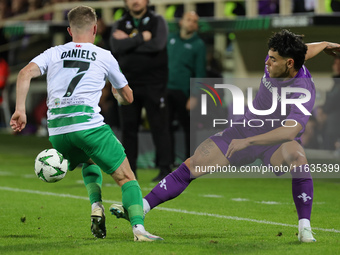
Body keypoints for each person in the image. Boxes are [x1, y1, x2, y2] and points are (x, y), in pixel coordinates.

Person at [109, 30, 340, 243]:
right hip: (244, 129)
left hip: (276, 140)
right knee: (194, 164)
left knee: (298, 158)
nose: (266, 62)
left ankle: (304, 227)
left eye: (272, 59)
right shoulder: (285, 60)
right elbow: (306, 49)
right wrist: (327, 43)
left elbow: (290, 131)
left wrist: (249, 142)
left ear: (290, 63)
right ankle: (141, 207)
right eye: (268, 57)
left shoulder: (304, 90)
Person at [9, 5, 163, 242]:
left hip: (58, 132)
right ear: (94, 29)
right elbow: (128, 97)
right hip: (89, 126)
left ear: (70, 31)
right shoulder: (104, 55)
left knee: (88, 160)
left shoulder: (54, 52)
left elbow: (24, 73)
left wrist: (20, 109)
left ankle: (96, 205)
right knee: (126, 178)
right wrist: (117, 94)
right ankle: (139, 230)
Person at [110, 0, 172, 181]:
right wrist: (141, 38)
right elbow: (116, 47)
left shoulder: (157, 21)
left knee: (159, 126)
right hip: (128, 84)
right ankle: (131, 171)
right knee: (128, 128)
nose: (135, 1)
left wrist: (128, 43)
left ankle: (165, 170)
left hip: (155, 84)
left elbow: (157, 45)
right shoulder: (119, 23)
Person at [167, 11, 206, 165]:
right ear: (181, 22)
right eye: (188, 19)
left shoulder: (198, 45)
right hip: (167, 88)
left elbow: (200, 72)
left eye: (194, 21)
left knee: (188, 127)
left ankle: (190, 162)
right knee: (165, 127)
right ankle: (166, 162)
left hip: (185, 92)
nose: (191, 23)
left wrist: (195, 95)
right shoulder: (170, 39)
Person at [320, 56, 340, 150]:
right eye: (336, 64)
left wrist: (322, 111)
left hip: (334, 128)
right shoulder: (336, 83)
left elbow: (330, 104)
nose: (337, 67)